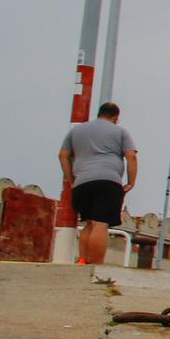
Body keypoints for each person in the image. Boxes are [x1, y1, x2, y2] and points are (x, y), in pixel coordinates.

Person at [57, 101, 137, 266]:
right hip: (108, 181)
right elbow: (131, 157)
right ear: (115, 117)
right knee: (101, 224)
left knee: (88, 223)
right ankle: (96, 264)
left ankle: (83, 260)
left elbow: (63, 155)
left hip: (82, 183)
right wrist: (131, 182)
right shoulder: (120, 131)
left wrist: (71, 179)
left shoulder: (76, 131)